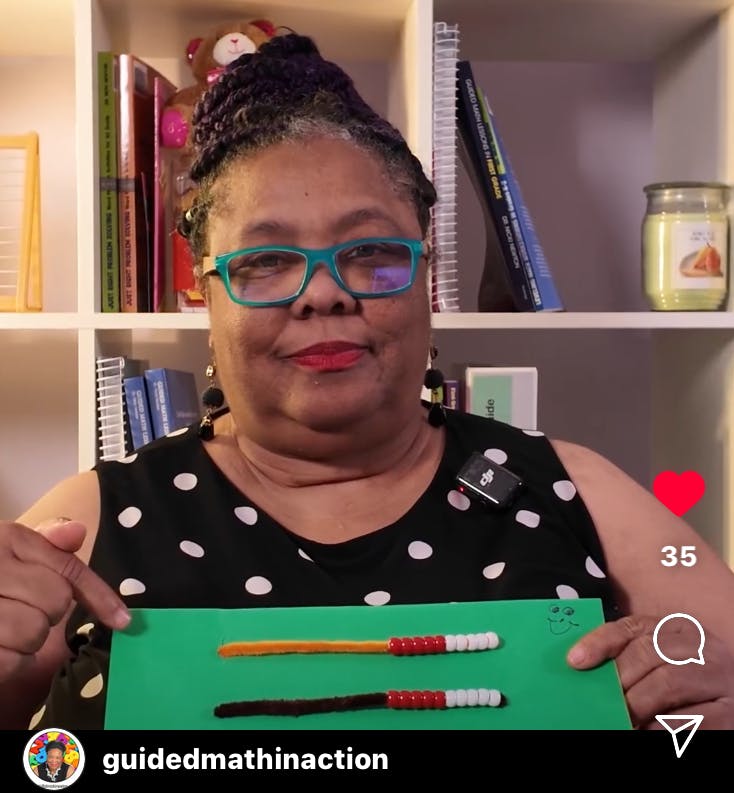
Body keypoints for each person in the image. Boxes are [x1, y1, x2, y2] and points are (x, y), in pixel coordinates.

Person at [1, 33, 733, 732]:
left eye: (372, 252)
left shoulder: (574, 491)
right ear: (208, 298)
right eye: (266, 262)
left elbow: (713, 668)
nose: (322, 294)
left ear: (424, 282)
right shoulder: (85, 525)